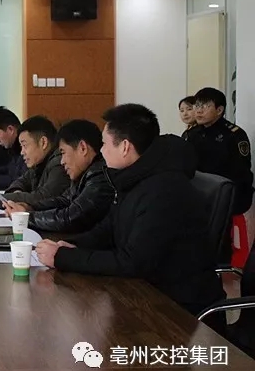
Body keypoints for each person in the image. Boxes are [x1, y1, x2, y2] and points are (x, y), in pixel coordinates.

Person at [35, 104, 225, 323]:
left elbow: (133, 262)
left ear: (125, 147)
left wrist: (63, 257)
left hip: (179, 312)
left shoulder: (164, 190)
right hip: (148, 294)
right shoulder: (134, 177)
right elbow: (108, 228)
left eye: (105, 144)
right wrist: (71, 245)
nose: (101, 151)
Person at [5, 119, 113, 233]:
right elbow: (63, 200)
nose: (62, 161)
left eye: (63, 152)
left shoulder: (100, 177)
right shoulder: (84, 174)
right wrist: (29, 208)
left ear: (82, 148)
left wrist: (26, 217)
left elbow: (70, 218)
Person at [185, 87, 254, 261]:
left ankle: (220, 266)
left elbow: (241, 173)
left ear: (219, 110)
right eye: (197, 105)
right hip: (196, 196)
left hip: (224, 197)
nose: (199, 110)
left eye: (205, 106)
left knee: (219, 240)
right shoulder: (192, 134)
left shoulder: (234, 135)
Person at [0, 115, 70, 209]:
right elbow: (21, 181)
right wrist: (16, 192)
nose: (22, 152)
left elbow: (43, 198)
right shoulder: (39, 163)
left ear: (43, 142)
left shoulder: (59, 163)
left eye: (25, 145)